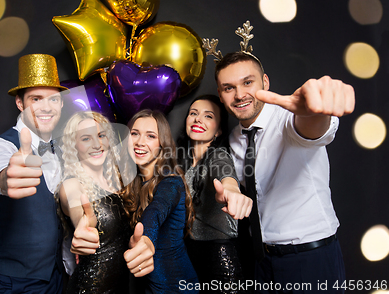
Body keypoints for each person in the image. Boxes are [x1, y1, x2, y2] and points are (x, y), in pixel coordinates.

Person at [214, 21, 354, 293]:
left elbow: (311, 131)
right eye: (228, 87)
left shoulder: (289, 119)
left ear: (265, 82)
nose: (240, 94)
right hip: (262, 261)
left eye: (248, 82)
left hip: (311, 259)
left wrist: (315, 111)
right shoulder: (232, 139)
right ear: (220, 95)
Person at [0, 54, 68, 293]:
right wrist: (5, 178)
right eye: (36, 98)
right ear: (19, 103)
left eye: (53, 99)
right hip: (15, 284)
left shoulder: (63, 148)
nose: (46, 107)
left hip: (58, 277)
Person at [177, 94, 252, 293]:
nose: (198, 119)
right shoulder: (180, 163)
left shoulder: (219, 155)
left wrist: (231, 189)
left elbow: (225, 173)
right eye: (193, 113)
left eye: (208, 116)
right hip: (189, 255)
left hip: (220, 257)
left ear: (218, 130)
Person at [122, 109, 199, 294]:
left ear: (161, 144)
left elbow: (156, 211)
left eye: (150, 136)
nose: (140, 142)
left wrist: (146, 239)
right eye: (134, 134)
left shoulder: (171, 182)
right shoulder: (133, 183)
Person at [57, 111, 132, 293]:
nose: (97, 144)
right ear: (74, 145)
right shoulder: (72, 184)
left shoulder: (119, 182)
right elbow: (74, 201)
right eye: (86, 138)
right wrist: (81, 226)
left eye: (101, 135)